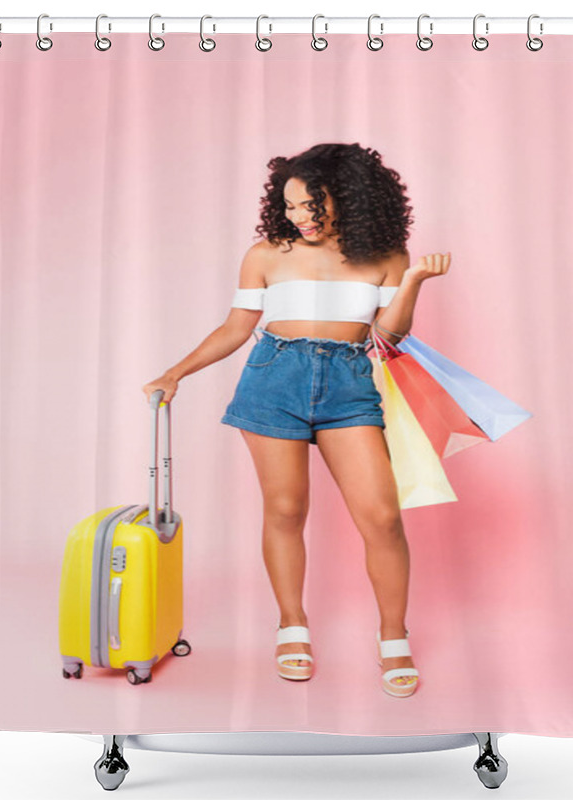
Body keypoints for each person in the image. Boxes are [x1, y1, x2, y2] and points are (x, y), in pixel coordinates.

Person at [142, 142, 450, 697]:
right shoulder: (266, 255)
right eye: (290, 207)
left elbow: (387, 338)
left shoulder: (388, 254)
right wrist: (175, 372)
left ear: (349, 196)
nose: (299, 217)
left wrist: (413, 284)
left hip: (349, 383)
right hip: (273, 376)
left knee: (381, 517)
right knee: (285, 508)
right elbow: (237, 328)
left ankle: (392, 635)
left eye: (312, 204)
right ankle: (292, 624)